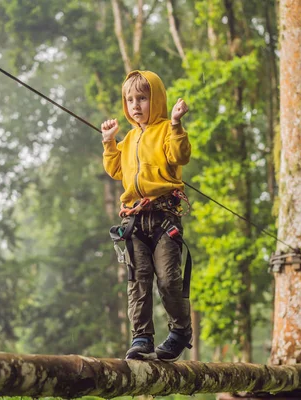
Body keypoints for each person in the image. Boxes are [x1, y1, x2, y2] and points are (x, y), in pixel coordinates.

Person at [101, 70, 192, 362]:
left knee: (167, 279)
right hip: (134, 221)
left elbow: (180, 156)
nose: (135, 105)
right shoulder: (128, 138)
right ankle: (142, 337)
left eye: (142, 98)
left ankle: (180, 331)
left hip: (164, 216)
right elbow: (116, 170)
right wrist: (108, 143)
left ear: (158, 100)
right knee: (138, 279)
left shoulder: (166, 129)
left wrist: (177, 124)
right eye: (130, 100)